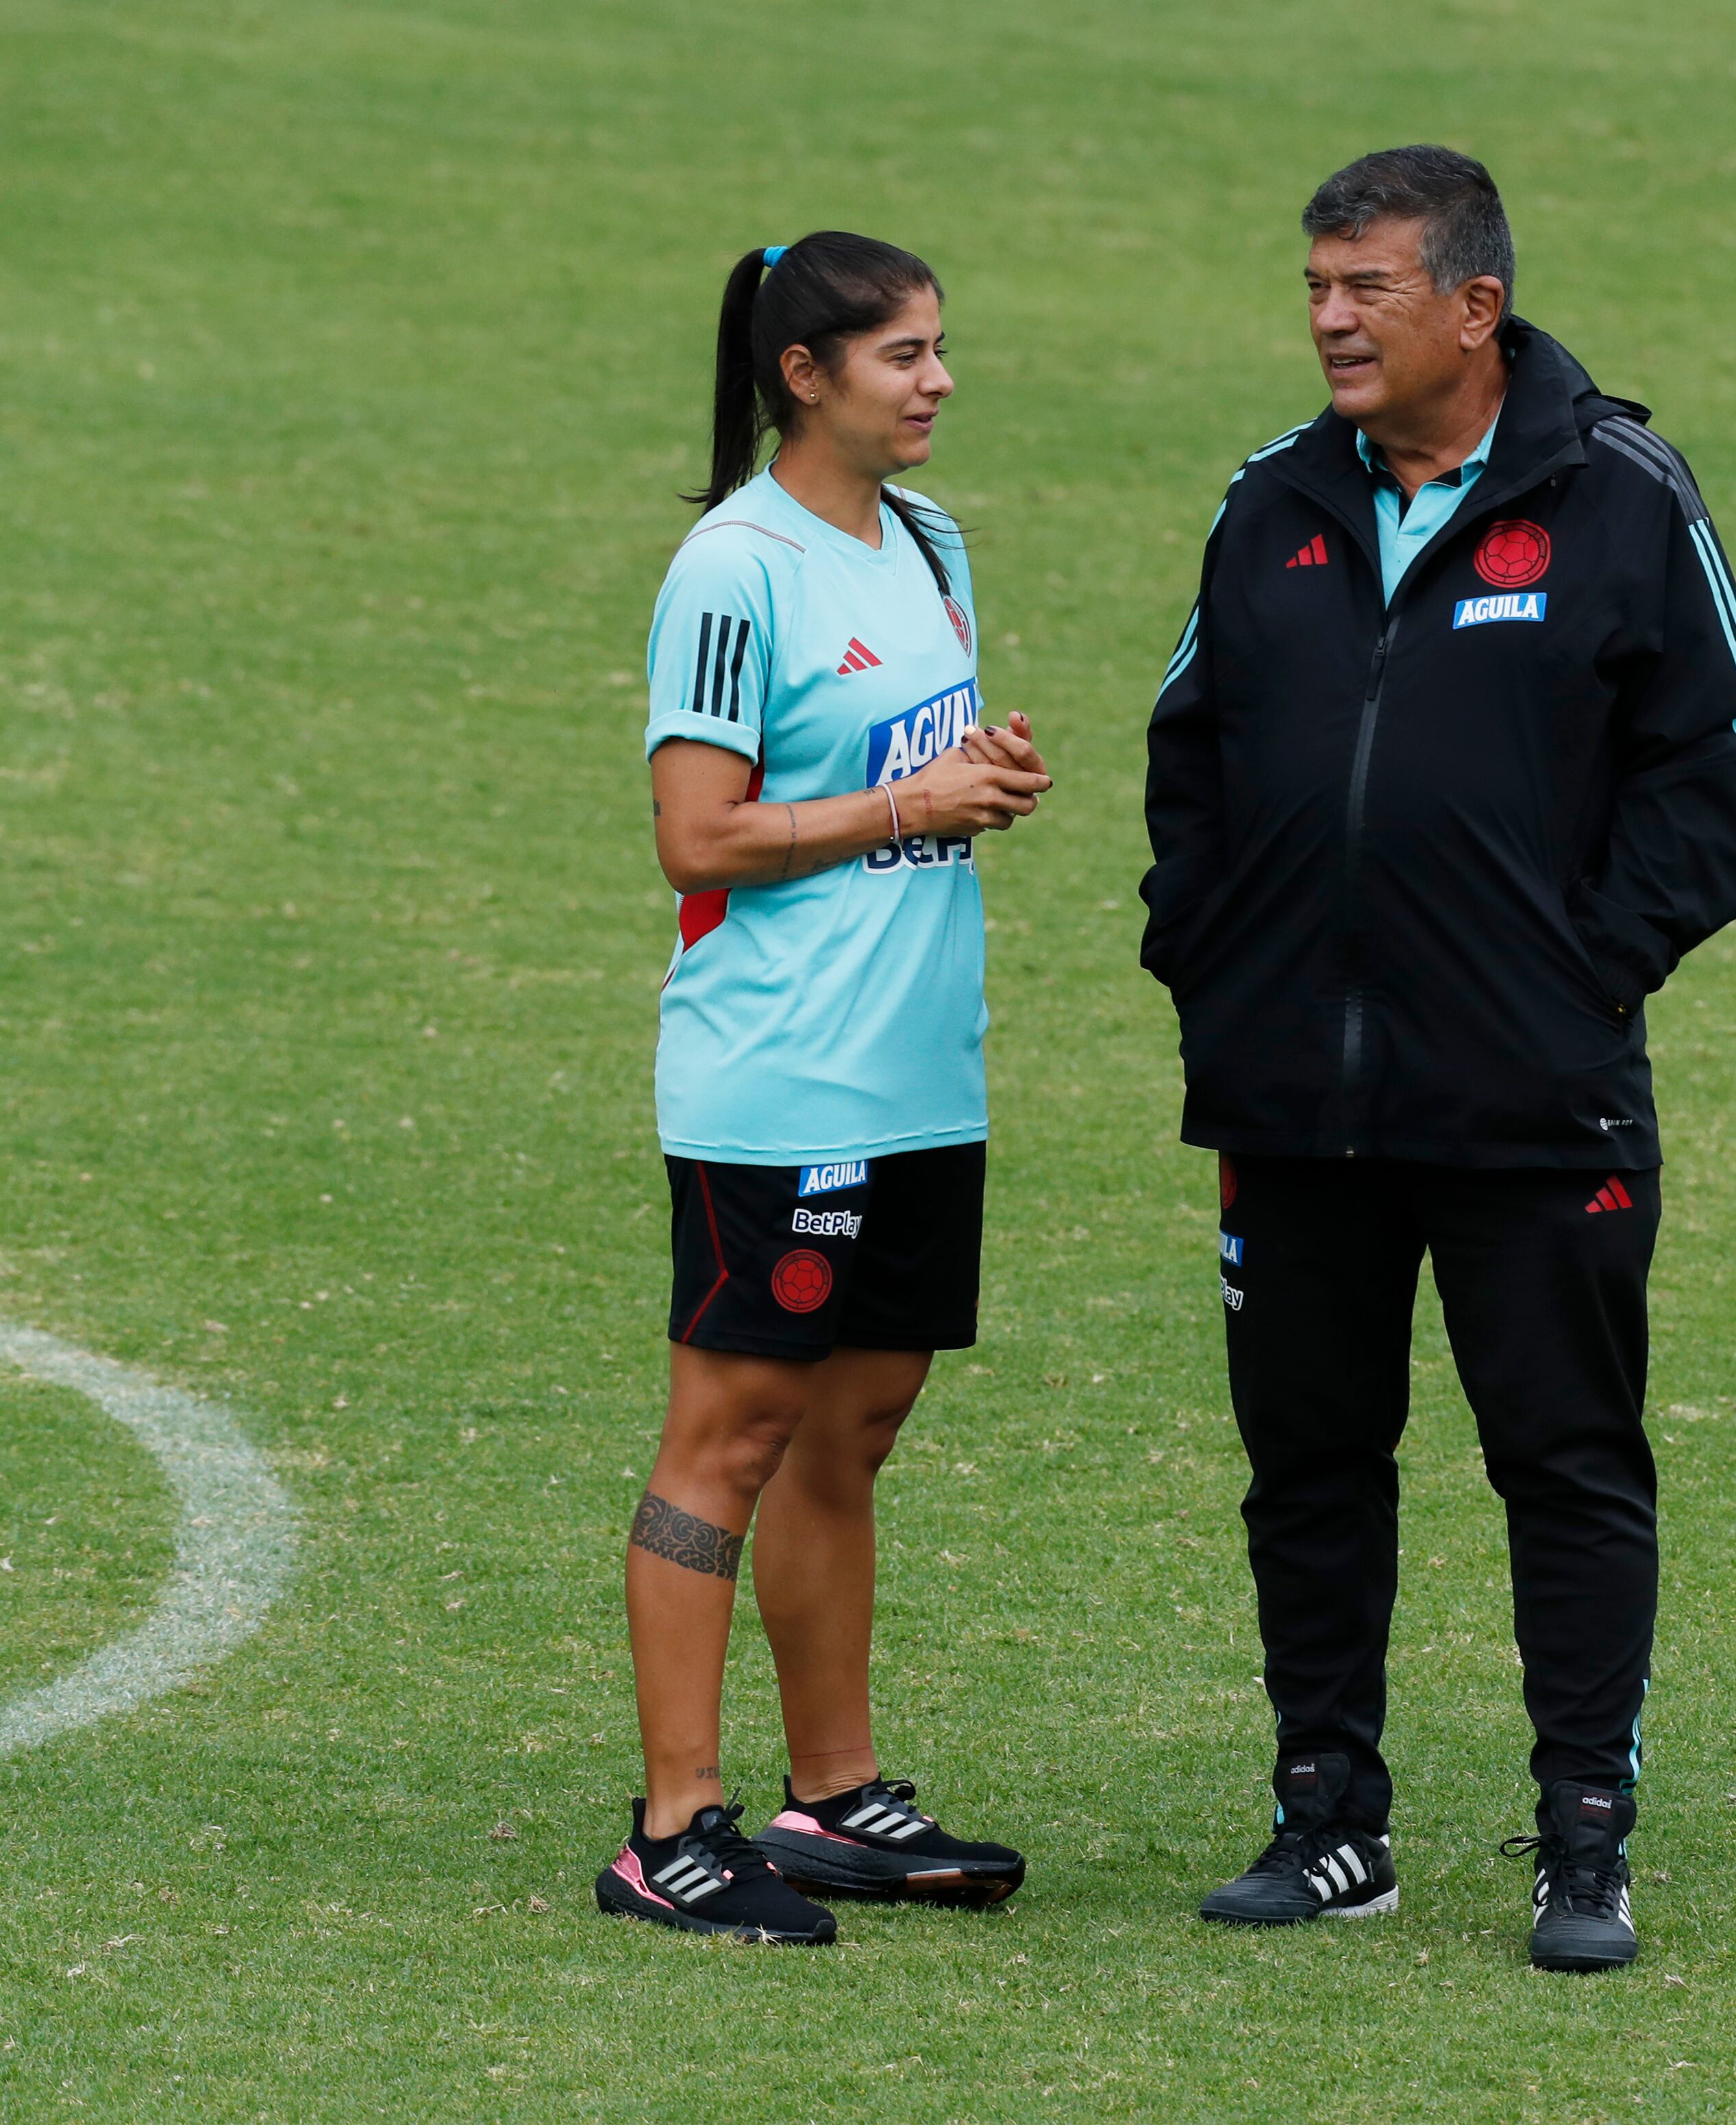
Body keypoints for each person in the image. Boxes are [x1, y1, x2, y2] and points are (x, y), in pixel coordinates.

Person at [1139, 147, 1736, 1972]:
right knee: (1310, 1464)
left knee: (1567, 1460)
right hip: (1295, 1098)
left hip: (1534, 1096)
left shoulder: (1622, 493)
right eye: (1318, 287)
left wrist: (1572, 980)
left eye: (1368, 288)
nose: (1330, 318)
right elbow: (1191, 752)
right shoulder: (1270, 501)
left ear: (1474, 309)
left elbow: (1720, 757)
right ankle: (1329, 1819)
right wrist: (1214, 968)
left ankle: (1587, 1840)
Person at [598, 232, 1052, 1945]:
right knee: (729, 1437)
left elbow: (904, 771)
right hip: (778, 1082)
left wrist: (975, 775)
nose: (937, 381)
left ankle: (835, 1797)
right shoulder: (733, 569)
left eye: (942, 349)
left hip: (919, 1072)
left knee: (851, 1428)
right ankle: (673, 1822)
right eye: (904, 355)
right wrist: (906, 810)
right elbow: (694, 835)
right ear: (806, 373)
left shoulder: (926, 541)